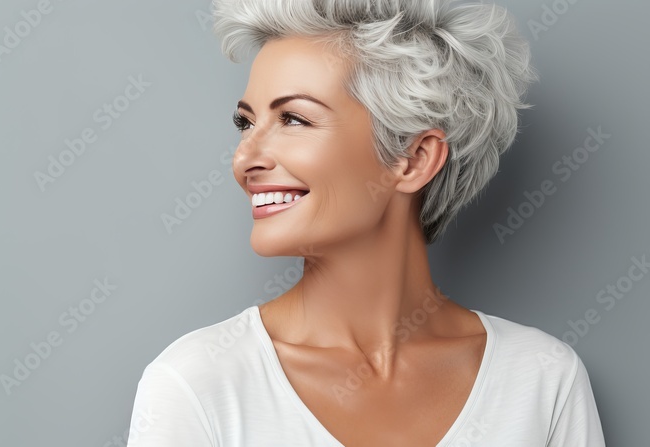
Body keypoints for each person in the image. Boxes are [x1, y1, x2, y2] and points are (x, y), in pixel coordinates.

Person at [125, 0, 606, 445]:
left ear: (413, 159)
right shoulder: (196, 384)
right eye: (245, 123)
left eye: (293, 119)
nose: (245, 157)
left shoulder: (543, 380)